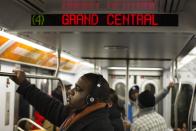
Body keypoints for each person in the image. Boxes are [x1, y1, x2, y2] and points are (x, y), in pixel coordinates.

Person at [10, 70, 114, 131]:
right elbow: (50, 107)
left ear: (91, 99)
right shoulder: (78, 114)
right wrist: (24, 84)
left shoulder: (100, 126)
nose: (71, 91)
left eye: (78, 89)